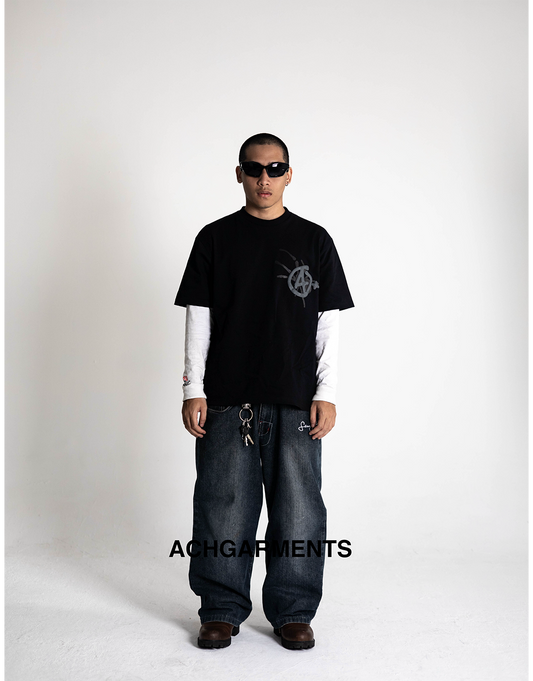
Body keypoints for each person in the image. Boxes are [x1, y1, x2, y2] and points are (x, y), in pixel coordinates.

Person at [174, 133, 353, 650]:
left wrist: (327, 391)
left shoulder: (314, 240)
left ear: (289, 174)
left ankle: (294, 610)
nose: (264, 178)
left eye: (275, 168)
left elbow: (327, 322)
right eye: (254, 168)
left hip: (295, 397)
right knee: (222, 504)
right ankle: (220, 608)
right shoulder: (214, 238)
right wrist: (192, 387)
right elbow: (199, 317)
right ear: (239, 174)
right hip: (227, 395)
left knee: (299, 508)